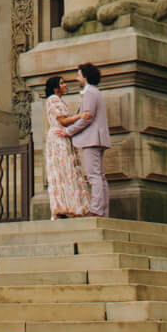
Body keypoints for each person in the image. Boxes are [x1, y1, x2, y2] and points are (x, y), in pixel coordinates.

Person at [56, 62, 111, 217]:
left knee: (94, 176)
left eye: (79, 75)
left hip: (92, 139)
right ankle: (102, 211)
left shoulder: (90, 93)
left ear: (85, 76)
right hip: (96, 138)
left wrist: (68, 131)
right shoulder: (94, 92)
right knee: (99, 176)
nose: (76, 78)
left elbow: (87, 118)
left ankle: (97, 210)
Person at [41, 73, 92, 218]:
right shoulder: (53, 100)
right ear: (56, 87)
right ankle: (64, 207)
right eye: (62, 83)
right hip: (58, 138)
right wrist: (80, 116)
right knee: (64, 171)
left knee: (67, 171)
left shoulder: (59, 100)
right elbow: (63, 120)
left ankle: (69, 206)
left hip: (63, 137)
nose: (65, 86)